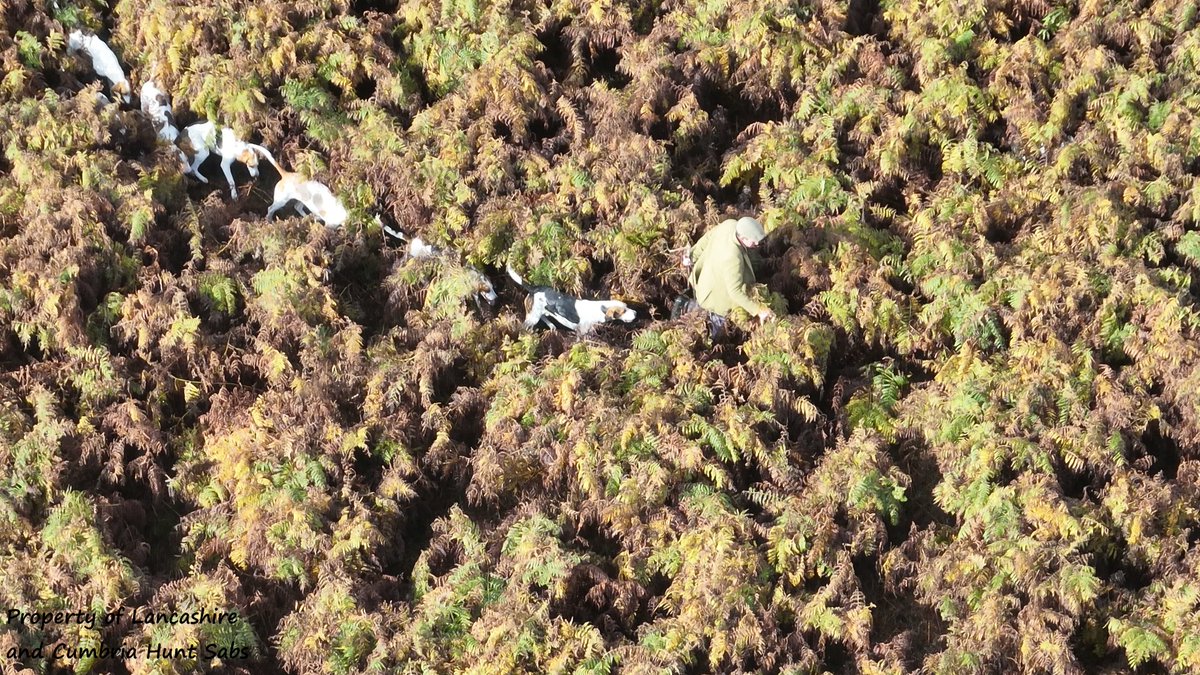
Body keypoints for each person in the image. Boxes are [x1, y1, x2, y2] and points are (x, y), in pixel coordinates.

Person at [676, 215, 775, 338]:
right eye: (754, 241)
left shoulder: (729, 225)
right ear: (743, 238)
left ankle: (689, 307)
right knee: (715, 331)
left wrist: (691, 256)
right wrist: (759, 310)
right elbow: (735, 292)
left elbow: (707, 238)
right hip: (715, 298)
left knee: (702, 307)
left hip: (706, 281)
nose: (757, 244)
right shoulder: (733, 258)